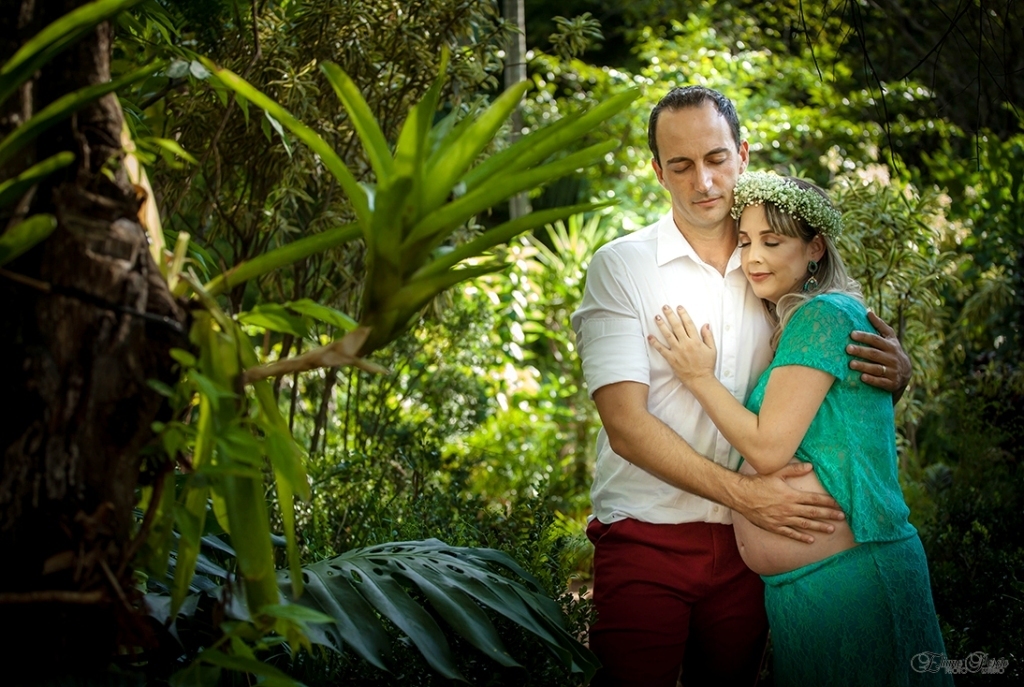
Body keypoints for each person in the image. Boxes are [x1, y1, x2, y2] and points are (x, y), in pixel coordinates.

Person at [570, 86, 911, 687]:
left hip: (748, 559)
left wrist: (895, 375)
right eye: (681, 165)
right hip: (646, 536)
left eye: (716, 159)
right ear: (658, 172)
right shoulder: (622, 267)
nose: (702, 181)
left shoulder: (777, 269)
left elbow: (823, 389)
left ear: (743, 155)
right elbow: (625, 425)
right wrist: (747, 496)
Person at [648, 171, 950, 686]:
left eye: (772, 241)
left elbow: (768, 449)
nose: (753, 257)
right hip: (808, 590)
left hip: (853, 580)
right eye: (745, 241)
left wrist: (698, 377)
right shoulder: (802, 320)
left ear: (815, 248)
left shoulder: (824, 314)